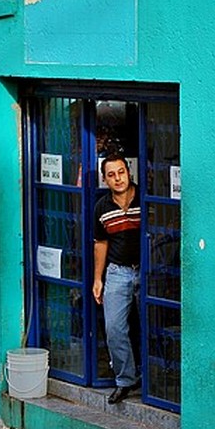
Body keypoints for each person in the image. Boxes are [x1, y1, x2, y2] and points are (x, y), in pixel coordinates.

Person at [93, 154, 142, 404]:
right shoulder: (102, 207)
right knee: (114, 328)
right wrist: (97, 279)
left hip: (148, 270)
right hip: (118, 271)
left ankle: (153, 379)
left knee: (150, 325)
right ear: (105, 179)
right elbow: (100, 244)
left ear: (129, 172)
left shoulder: (145, 198)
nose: (117, 178)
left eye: (121, 172)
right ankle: (125, 380)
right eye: (111, 175)